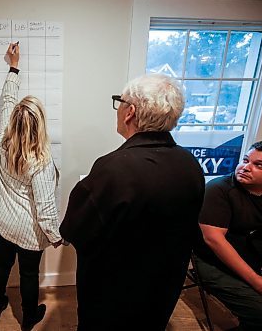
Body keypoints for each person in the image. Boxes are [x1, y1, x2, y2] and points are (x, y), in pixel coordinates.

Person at [59, 73, 205, 330]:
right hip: (164, 286)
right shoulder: (190, 164)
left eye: (120, 102)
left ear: (130, 112)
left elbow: (75, 230)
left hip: (114, 294)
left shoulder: (112, 169)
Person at [0, 43, 63, 331]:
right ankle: (29, 319)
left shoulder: (5, 139)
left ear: (17, 120)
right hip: (27, 231)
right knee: (29, 275)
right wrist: (57, 237)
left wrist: (13, 68)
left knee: (1, 265)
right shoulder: (40, 161)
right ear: (40, 126)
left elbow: (6, 101)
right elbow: (45, 210)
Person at [194, 141, 262, 331]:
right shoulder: (219, 190)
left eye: (259, 165)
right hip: (214, 263)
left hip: (259, 261)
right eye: (245, 160)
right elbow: (214, 240)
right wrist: (257, 282)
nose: (245, 167)